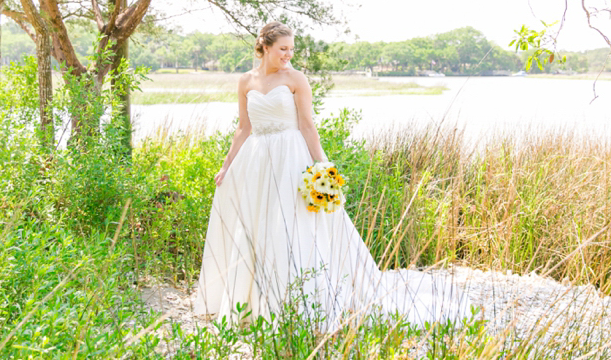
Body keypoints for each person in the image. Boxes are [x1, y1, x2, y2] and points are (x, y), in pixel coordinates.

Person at [193, 21, 471, 330]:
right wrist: (226, 164)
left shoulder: (296, 78)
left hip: (290, 157)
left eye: (291, 49)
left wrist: (323, 168)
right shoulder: (246, 81)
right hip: (256, 160)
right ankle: (254, 304)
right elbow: (243, 127)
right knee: (257, 225)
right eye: (283, 49)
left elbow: (307, 125)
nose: (288, 55)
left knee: (293, 225)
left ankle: (295, 302)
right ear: (266, 47)